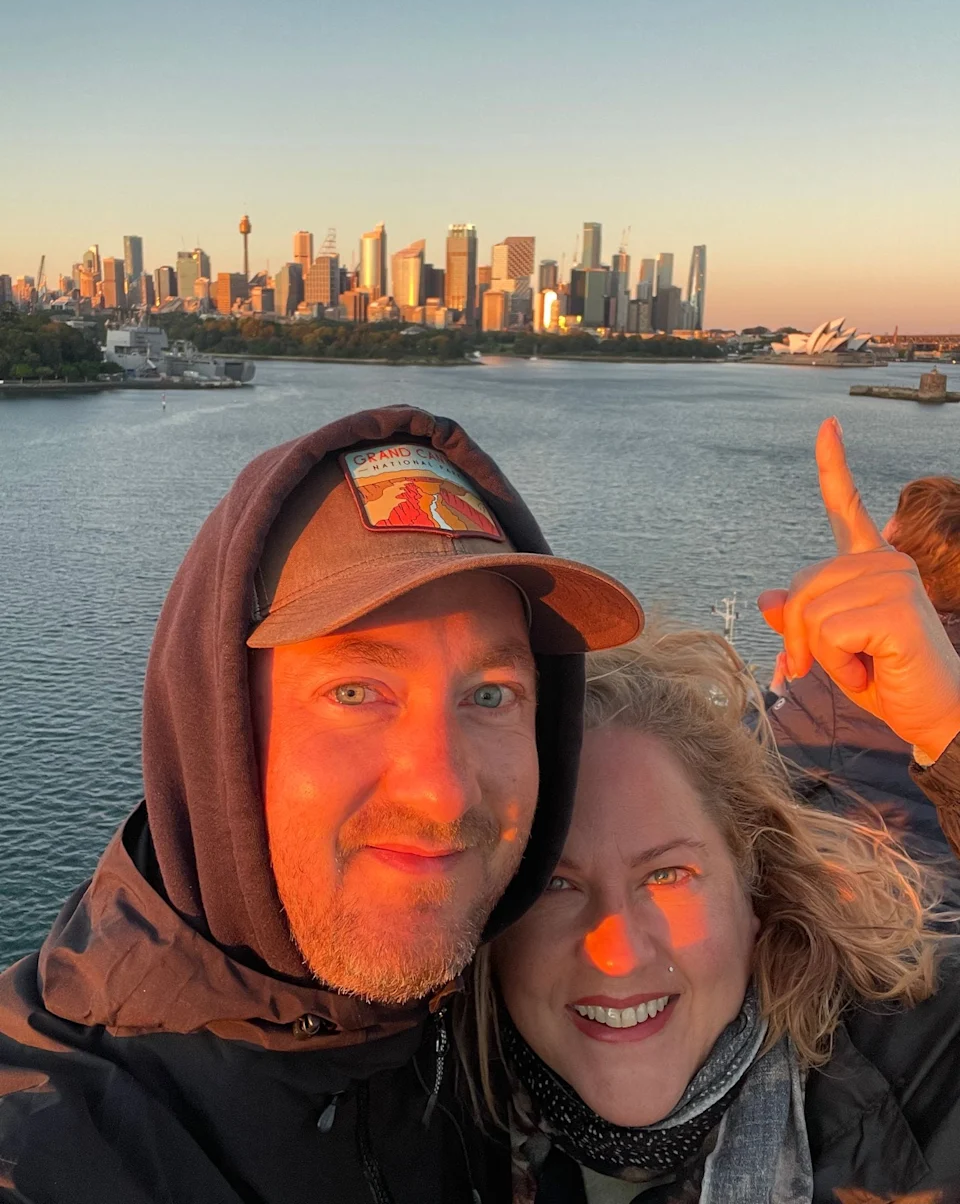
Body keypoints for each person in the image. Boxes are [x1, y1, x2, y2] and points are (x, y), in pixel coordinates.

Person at [0, 405, 643, 1203]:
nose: (443, 792)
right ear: (216, 730)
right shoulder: (49, 1141)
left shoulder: (502, 1015)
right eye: (355, 691)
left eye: (490, 695)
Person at [466, 418, 960, 1203]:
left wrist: (950, 727)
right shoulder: (407, 1111)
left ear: (756, 892)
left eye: (668, 874)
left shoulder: (919, 1078)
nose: (618, 952)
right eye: (555, 883)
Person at [769, 471, 960, 867]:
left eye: (887, 545)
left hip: (882, 894)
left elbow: (748, 774)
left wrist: (772, 698)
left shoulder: (852, 666)